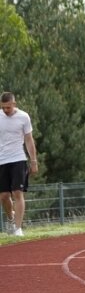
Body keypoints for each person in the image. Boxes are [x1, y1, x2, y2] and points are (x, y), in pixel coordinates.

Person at [0, 92, 39, 237]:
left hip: (18, 159)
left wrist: (33, 160)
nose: (5, 110)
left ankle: (18, 228)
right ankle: (11, 217)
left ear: (14, 104)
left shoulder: (24, 117)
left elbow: (29, 140)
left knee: (17, 192)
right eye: (3, 107)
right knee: (3, 196)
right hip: (1, 160)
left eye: (8, 107)